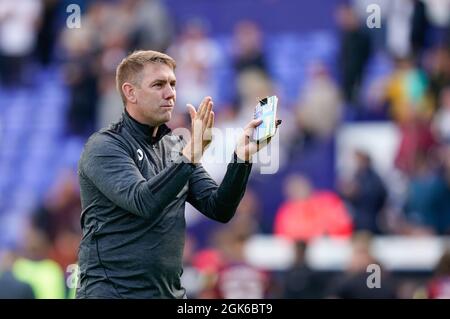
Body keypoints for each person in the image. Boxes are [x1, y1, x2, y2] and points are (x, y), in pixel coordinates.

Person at [75, 50, 279, 299]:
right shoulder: (105, 147)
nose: (170, 93)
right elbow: (143, 201)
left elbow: (219, 208)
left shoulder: (173, 146)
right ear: (130, 92)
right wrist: (191, 154)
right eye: (158, 84)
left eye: (173, 84)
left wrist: (241, 158)